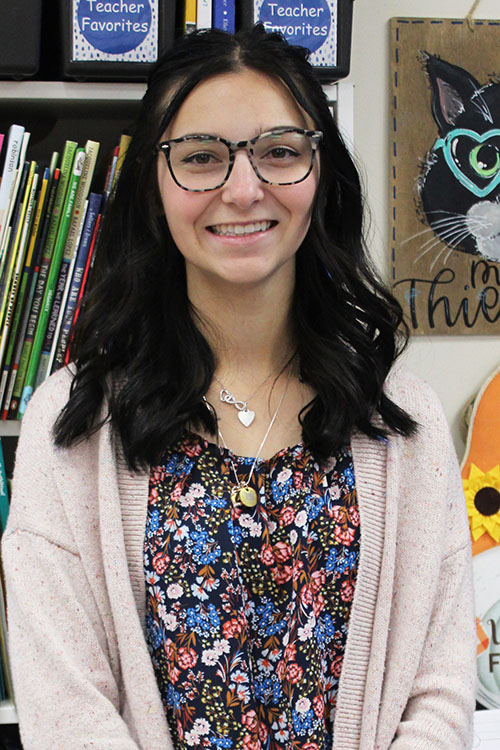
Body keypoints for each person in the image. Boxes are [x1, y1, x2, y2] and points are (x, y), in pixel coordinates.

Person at [2, 25, 476, 750]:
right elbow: (67, 712)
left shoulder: (402, 418)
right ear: (154, 187)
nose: (244, 188)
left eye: (280, 152)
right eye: (201, 158)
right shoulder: (71, 424)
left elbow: (438, 693)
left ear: (322, 173)